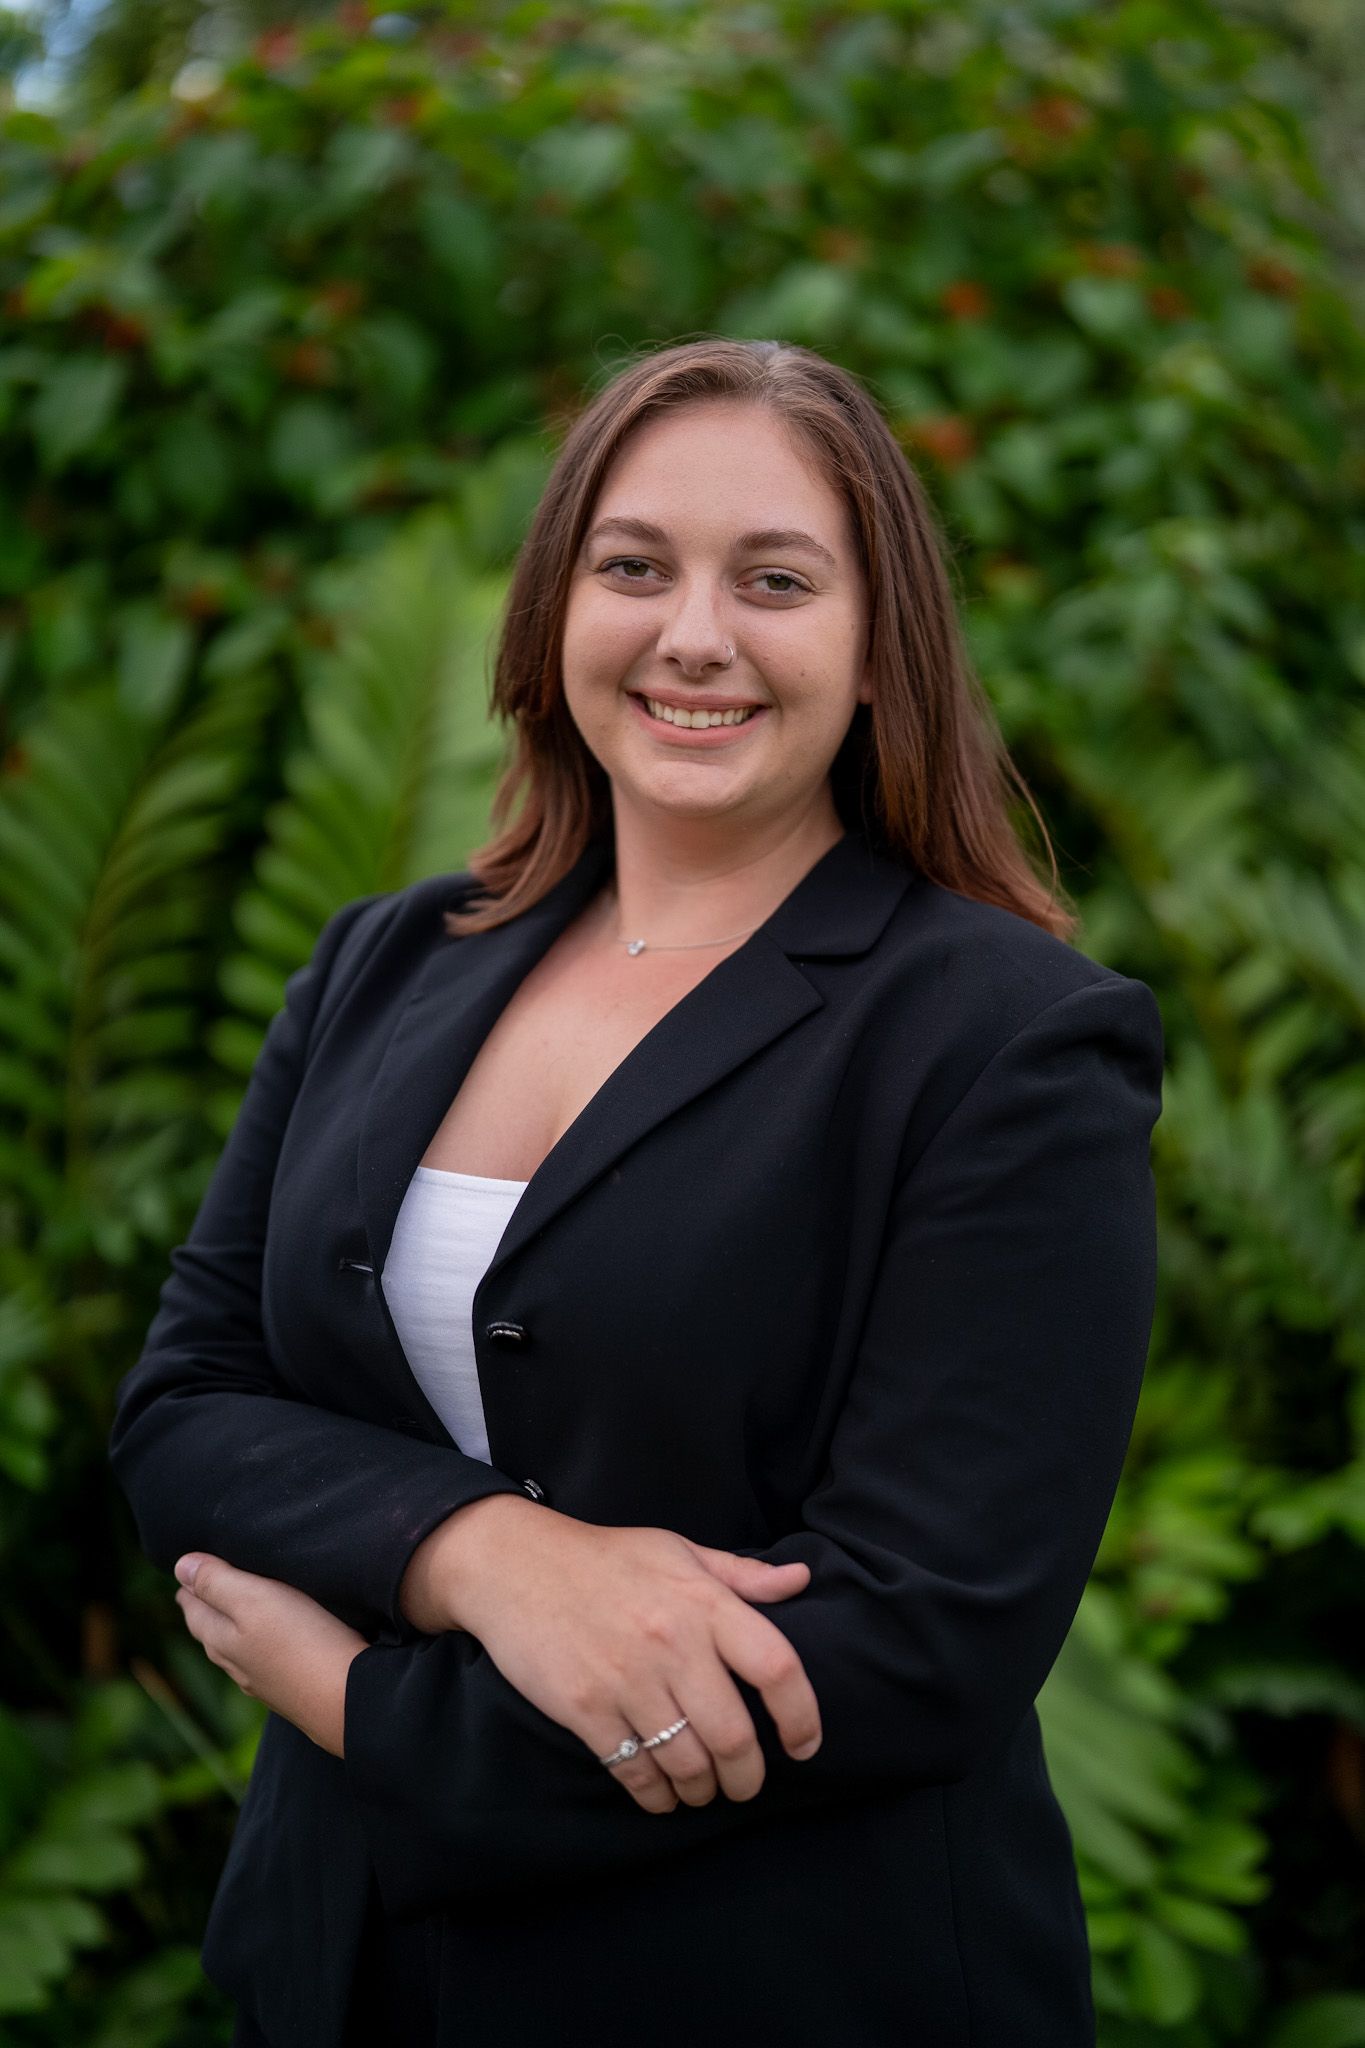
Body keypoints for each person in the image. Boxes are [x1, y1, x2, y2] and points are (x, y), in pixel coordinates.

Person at [108, 337, 1164, 2048]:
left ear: (878, 645)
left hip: (780, 1989)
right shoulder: (384, 965)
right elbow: (187, 1409)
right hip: (334, 1976)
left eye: (774, 580)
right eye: (632, 567)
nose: (693, 635)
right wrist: (485, 1555)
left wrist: (371, 1710)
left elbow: (917, 1640)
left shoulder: (1011, 1041)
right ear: (553, 611)